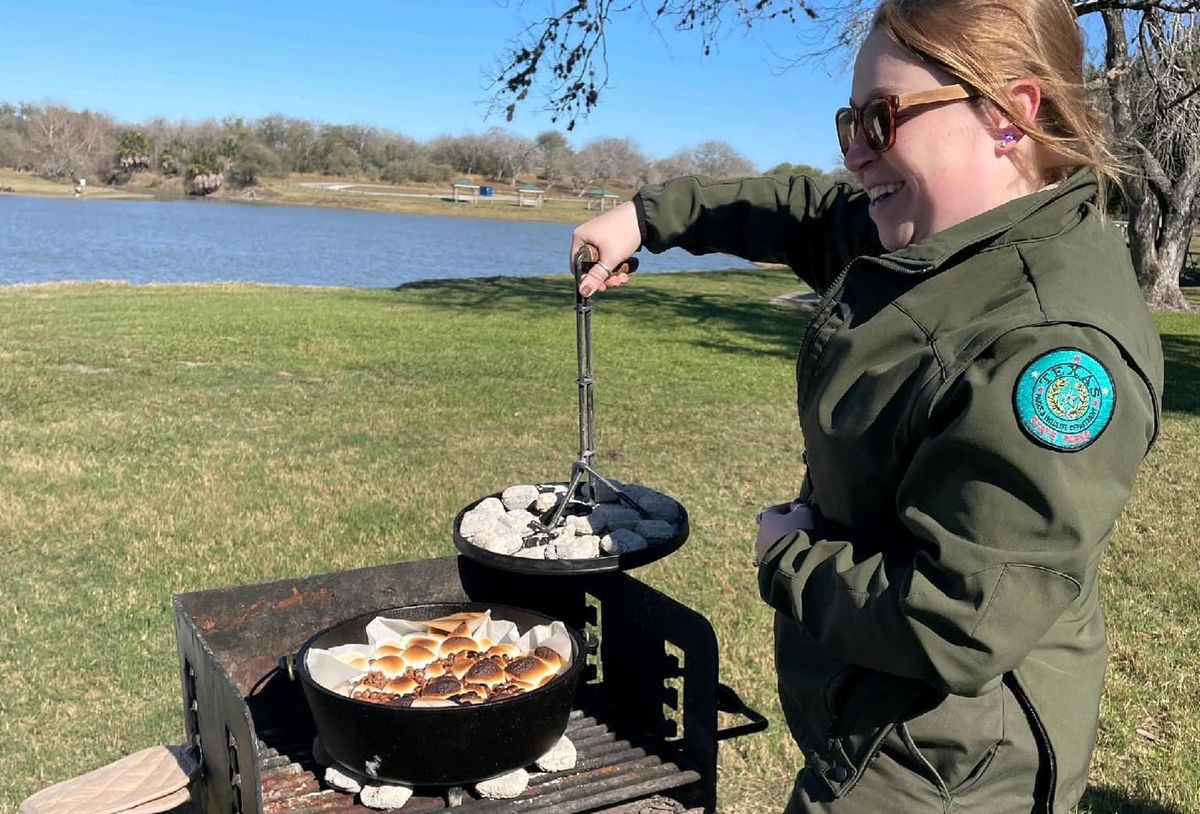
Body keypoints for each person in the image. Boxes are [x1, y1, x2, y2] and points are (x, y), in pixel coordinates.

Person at [568, 0, 1164, 810]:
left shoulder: (1052, 351)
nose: (854, 155)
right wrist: (646, 218)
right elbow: (806, 211)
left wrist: (791, 556)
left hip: (941, 765)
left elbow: (962, 617)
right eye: (848, 123)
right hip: (878, 719)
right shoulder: (943, 238)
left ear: (1009, 115)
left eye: (882, 121)